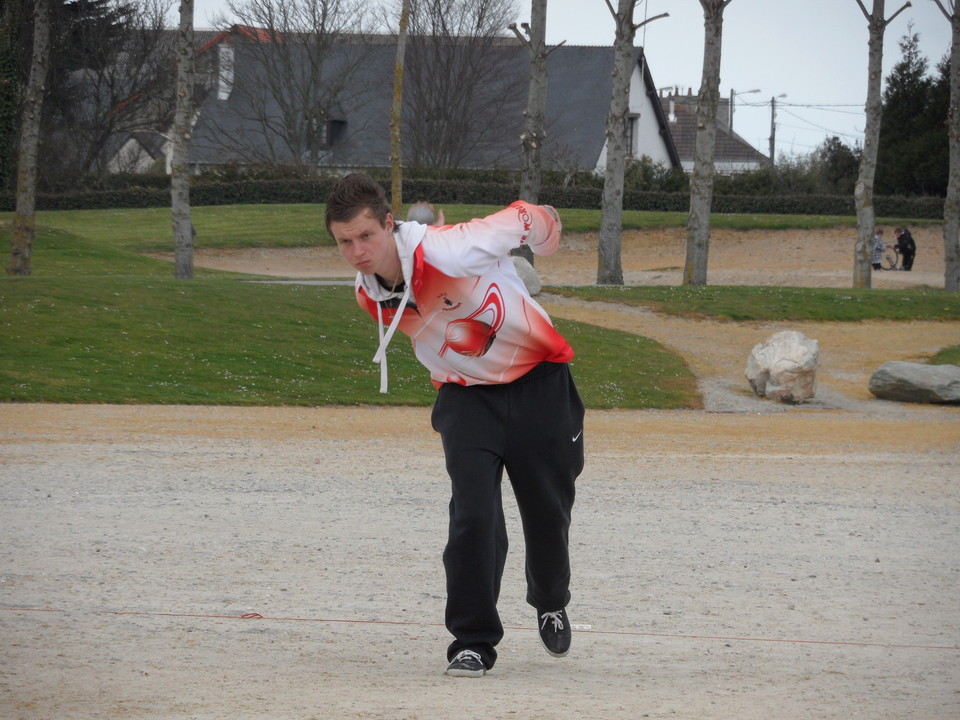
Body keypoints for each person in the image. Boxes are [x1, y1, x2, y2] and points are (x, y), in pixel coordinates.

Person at [325, 173, 584, 679]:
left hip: (540, 385)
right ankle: (473, 641)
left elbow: (528, 217)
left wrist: (546, 236)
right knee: (473, 516)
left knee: (547, 512)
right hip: (466, 403)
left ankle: (550, 599)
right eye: (344, 242)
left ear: (388, 224)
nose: (357, 252)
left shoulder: (454, 250)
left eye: (366, 236)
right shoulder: (369, 295)